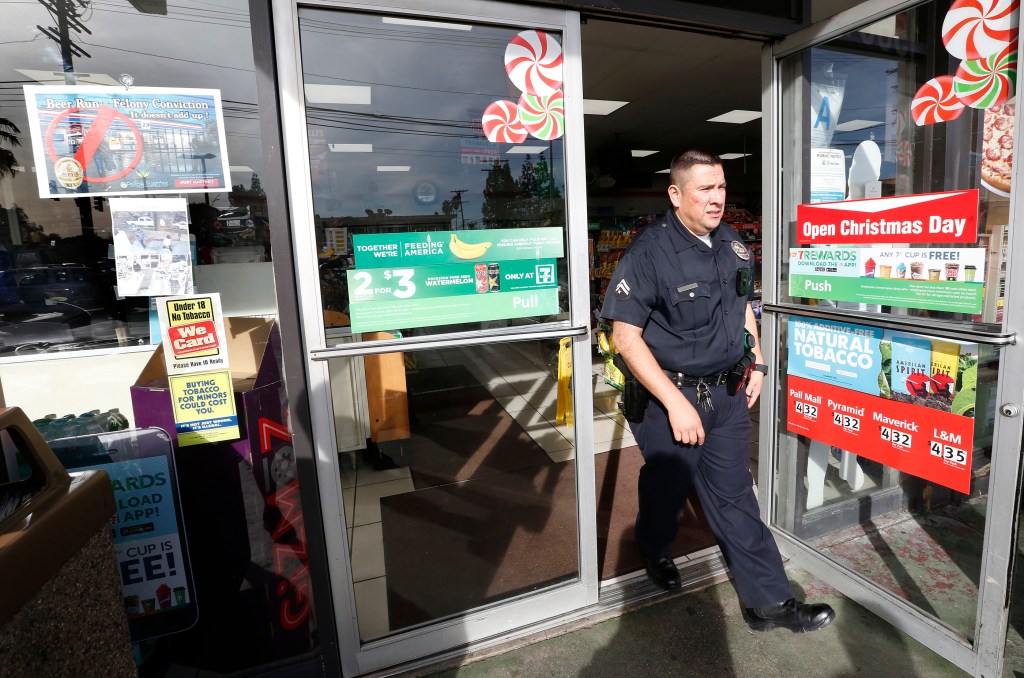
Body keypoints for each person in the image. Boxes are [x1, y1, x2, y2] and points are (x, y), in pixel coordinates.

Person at [600, 150, 835, 633]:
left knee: (733, 497)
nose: (717, 199)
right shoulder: (649, 252)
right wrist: (674, 403)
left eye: (722, 187)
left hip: (726, 396)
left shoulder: (733, 244)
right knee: (667, 488)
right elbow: (626, 338)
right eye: (705, 189)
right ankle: (654, 545)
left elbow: (743, 307)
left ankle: (770, 602)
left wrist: (760, 361)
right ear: (676, 194)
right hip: (670, 401)